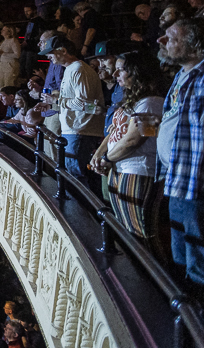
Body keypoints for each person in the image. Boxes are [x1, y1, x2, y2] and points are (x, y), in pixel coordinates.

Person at [156, 17, 204, 289]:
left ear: (197, 45)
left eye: (172, 38)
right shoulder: (181, 75)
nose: (161, 41)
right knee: (182, 260)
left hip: (202, 192)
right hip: (179, 184)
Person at [88, 50, 166, 239]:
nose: (114, 75)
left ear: (138, 72)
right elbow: (115, 131)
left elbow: (134, 140)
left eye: (120, 70)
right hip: (120, 168)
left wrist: (106, 159)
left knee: (139, 231)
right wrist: (99, 155)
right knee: (125, 228)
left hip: (138, 171)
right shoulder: (134, 101)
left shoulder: (152, 103)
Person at [40, 34, 104, 183]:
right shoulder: (71, 69)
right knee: (73, 174)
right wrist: (54, 103)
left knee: (77, 176)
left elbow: (88, 105)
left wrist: (56, 99)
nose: (48, 56)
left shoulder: (79, 69)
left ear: (62, 50)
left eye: (51, 52)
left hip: (81, 130)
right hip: (74, 130)